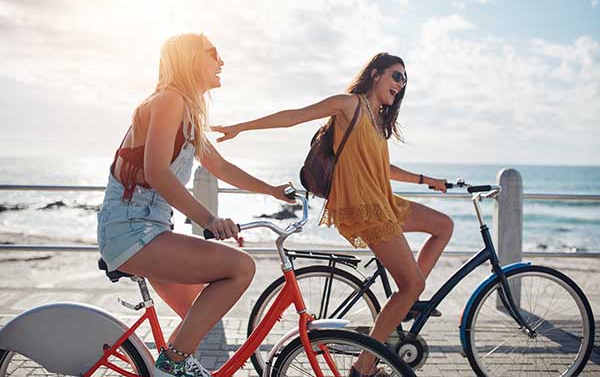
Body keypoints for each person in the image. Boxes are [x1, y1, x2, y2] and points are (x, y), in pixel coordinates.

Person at [213, 52, 454, 375]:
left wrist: (427, 181)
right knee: (411, 285)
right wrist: (240, 127)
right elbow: (294, 117)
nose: (401, 84)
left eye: (405, 80)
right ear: (375, 74)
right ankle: (364, 366)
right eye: (397, 76)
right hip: (365, 209)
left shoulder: (379, 119)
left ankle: (405, 302)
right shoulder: (349, 105)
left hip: (384, 202)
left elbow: (384, 168)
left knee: (443, 225)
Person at [96, 33, 293, 377]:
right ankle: (173, 364)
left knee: (195, 319)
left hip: (150, 229)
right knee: (241, 268)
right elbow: (157, 172)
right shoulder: (169, 100)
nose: (221, 61)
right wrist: (210, 219)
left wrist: (273, 190)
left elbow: (221, 167)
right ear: (189, 60)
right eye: (213, 54)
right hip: (131, 230)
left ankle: (167, 368)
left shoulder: (187, 112)